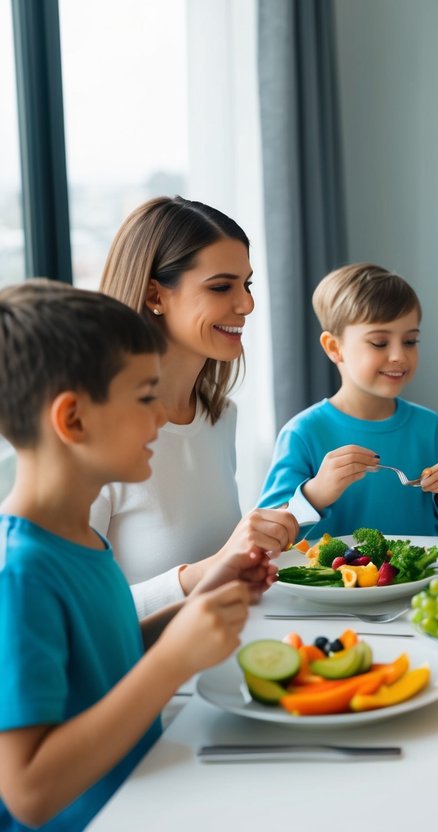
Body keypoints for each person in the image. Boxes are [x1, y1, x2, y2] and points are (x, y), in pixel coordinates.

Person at [0, 281, 250, 830]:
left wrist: (199, 604)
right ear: (73, 421)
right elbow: (28, 791)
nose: (162, 418)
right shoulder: (21, 575)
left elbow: (102, 661)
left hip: (142, 799)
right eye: (144, 398)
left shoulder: (80, 539)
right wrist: (173, 660)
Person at [94, 197, 298, 617]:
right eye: (222, 287)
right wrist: (200, 574)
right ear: (155, 294)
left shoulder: (220, 417)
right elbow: (75, 620)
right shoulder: (95, 433)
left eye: (248, 285)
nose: (247, 305)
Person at [259, 263, 438, 538]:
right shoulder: (303, 433)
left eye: (410, 341)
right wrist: (316, 494)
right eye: (380, 343)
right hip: (336, 580)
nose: (399, 355)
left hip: (422, 579)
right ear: (335, 348)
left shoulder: (427, 426)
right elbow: (268, 534)